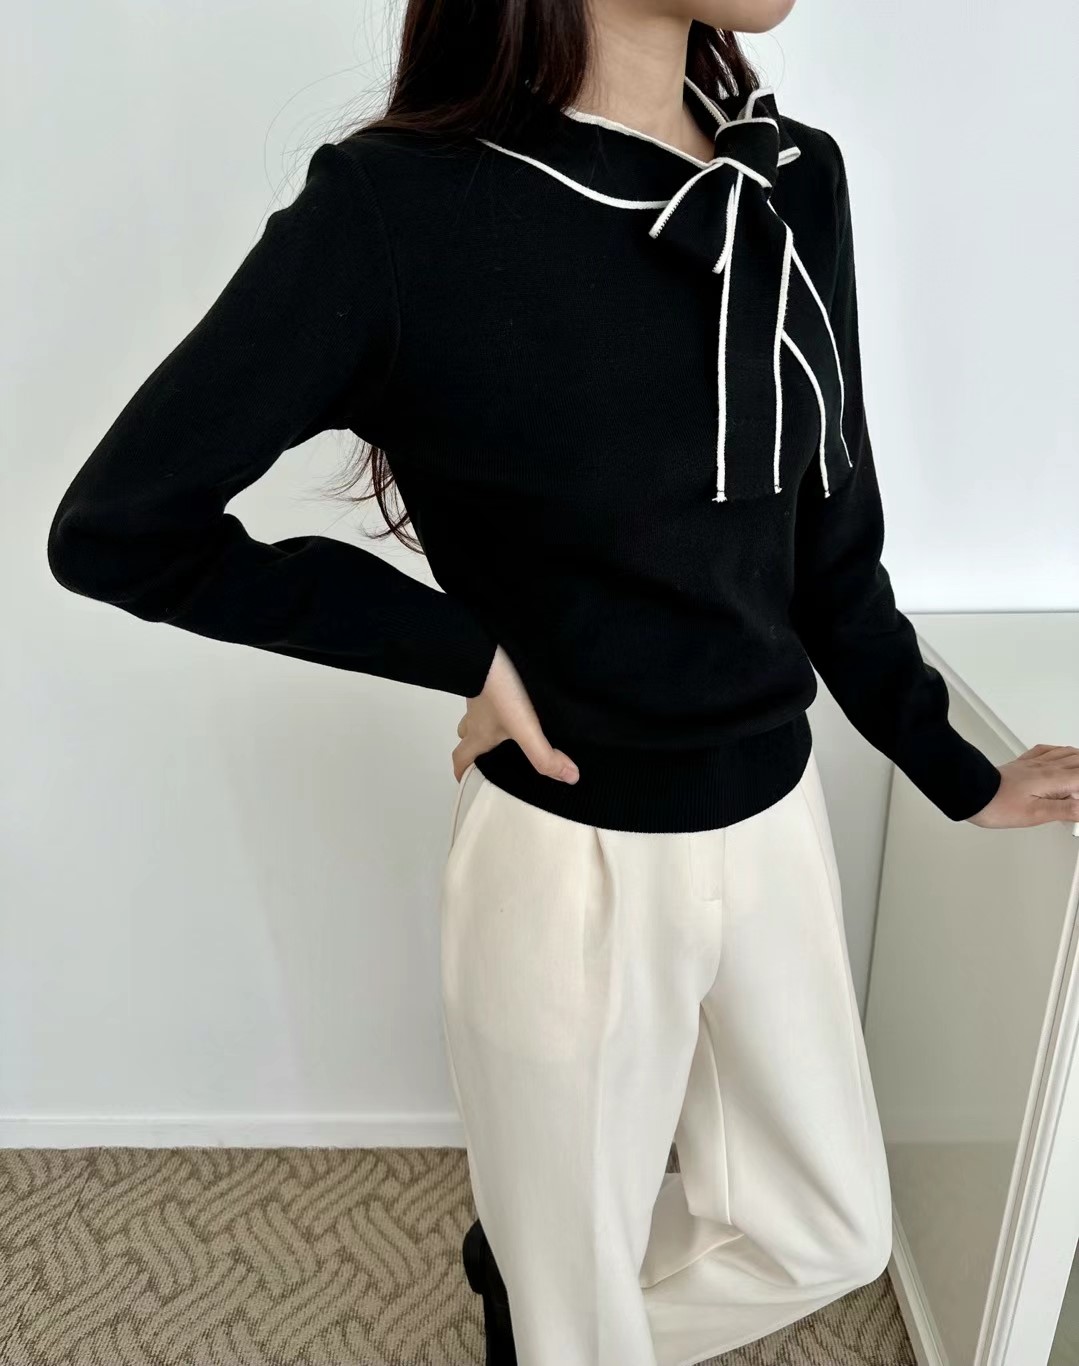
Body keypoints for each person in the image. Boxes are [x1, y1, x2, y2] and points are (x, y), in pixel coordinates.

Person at [46, 1, 1079, 1364]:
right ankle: (544, 1303)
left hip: (773, 823)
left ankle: (531, 1294)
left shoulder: (789, 176)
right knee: (574, 1310)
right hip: (567, 848)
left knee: (828, 1231)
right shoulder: (401, 208)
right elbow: (120, 528)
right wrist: (458, 651)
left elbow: (832, 544)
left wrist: (954, 765)